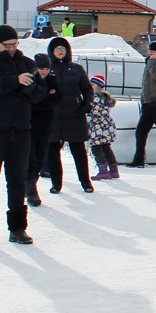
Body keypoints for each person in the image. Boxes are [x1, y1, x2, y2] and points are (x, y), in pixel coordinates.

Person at [0, 24, 47, 244]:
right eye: (7, 45)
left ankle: (18, 228)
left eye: (15, 44)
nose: (11, 48)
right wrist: (14, 81)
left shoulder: (28, 64)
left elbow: (40, 95)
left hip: (20, 131)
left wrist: (28, 87)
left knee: (18, 180)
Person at [45, 37, 95, 194]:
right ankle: (56, 184)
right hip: (52, 116)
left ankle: (85, 182)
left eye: (63, 48)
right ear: (51, 52)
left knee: (78, 151)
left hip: (74, 115)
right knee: (52, 152)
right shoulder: (47, 69)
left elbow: (87, 90)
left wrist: (86, 105)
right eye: (57, 49)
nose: (60, 51)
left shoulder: (76, 69)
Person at [25, 53, 59, 206]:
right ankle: (31, 190)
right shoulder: (30, 80)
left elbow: (57, 98)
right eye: (40, 68)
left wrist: (44, 98)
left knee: (39, 159)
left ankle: (31, 184)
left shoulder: (52, 80)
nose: (43, 72)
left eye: (46, 68)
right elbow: (32, 100)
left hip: (46, 125)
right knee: (31, 159)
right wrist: (46, 96)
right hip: (29, 125)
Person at [86, 76, 119, 180]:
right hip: (107, 124)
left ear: (99, 86)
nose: (90, 87)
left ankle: (103, 170)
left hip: (98, 125)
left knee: (96, 147)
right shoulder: (105, 97)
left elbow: (91, 110)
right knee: (106, 146)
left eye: (93, 85)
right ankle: (114, 170)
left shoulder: (95, 97)